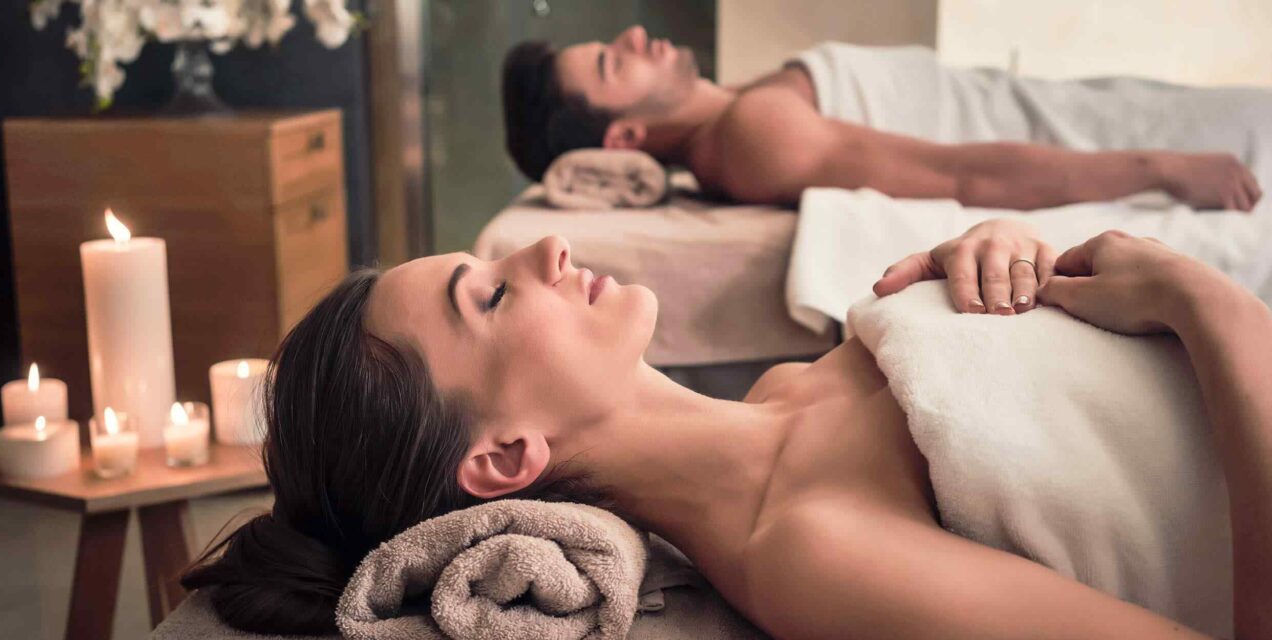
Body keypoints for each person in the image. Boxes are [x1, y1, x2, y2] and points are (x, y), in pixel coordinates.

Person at [180, 218, 1270, 638]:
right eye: (495, 296)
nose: (548, 249)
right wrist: (1204, 303)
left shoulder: (789, 391)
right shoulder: (806, 546)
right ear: (506, 458)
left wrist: (1005, 261)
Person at [502, 26, 1266, 211]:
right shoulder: (754, 138)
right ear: (626, 137)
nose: (636, 36)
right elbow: (961, 175)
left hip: (1091, 109)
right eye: (614, 63)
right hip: (1118, 144)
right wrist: (1161, 167)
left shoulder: (738, 105)